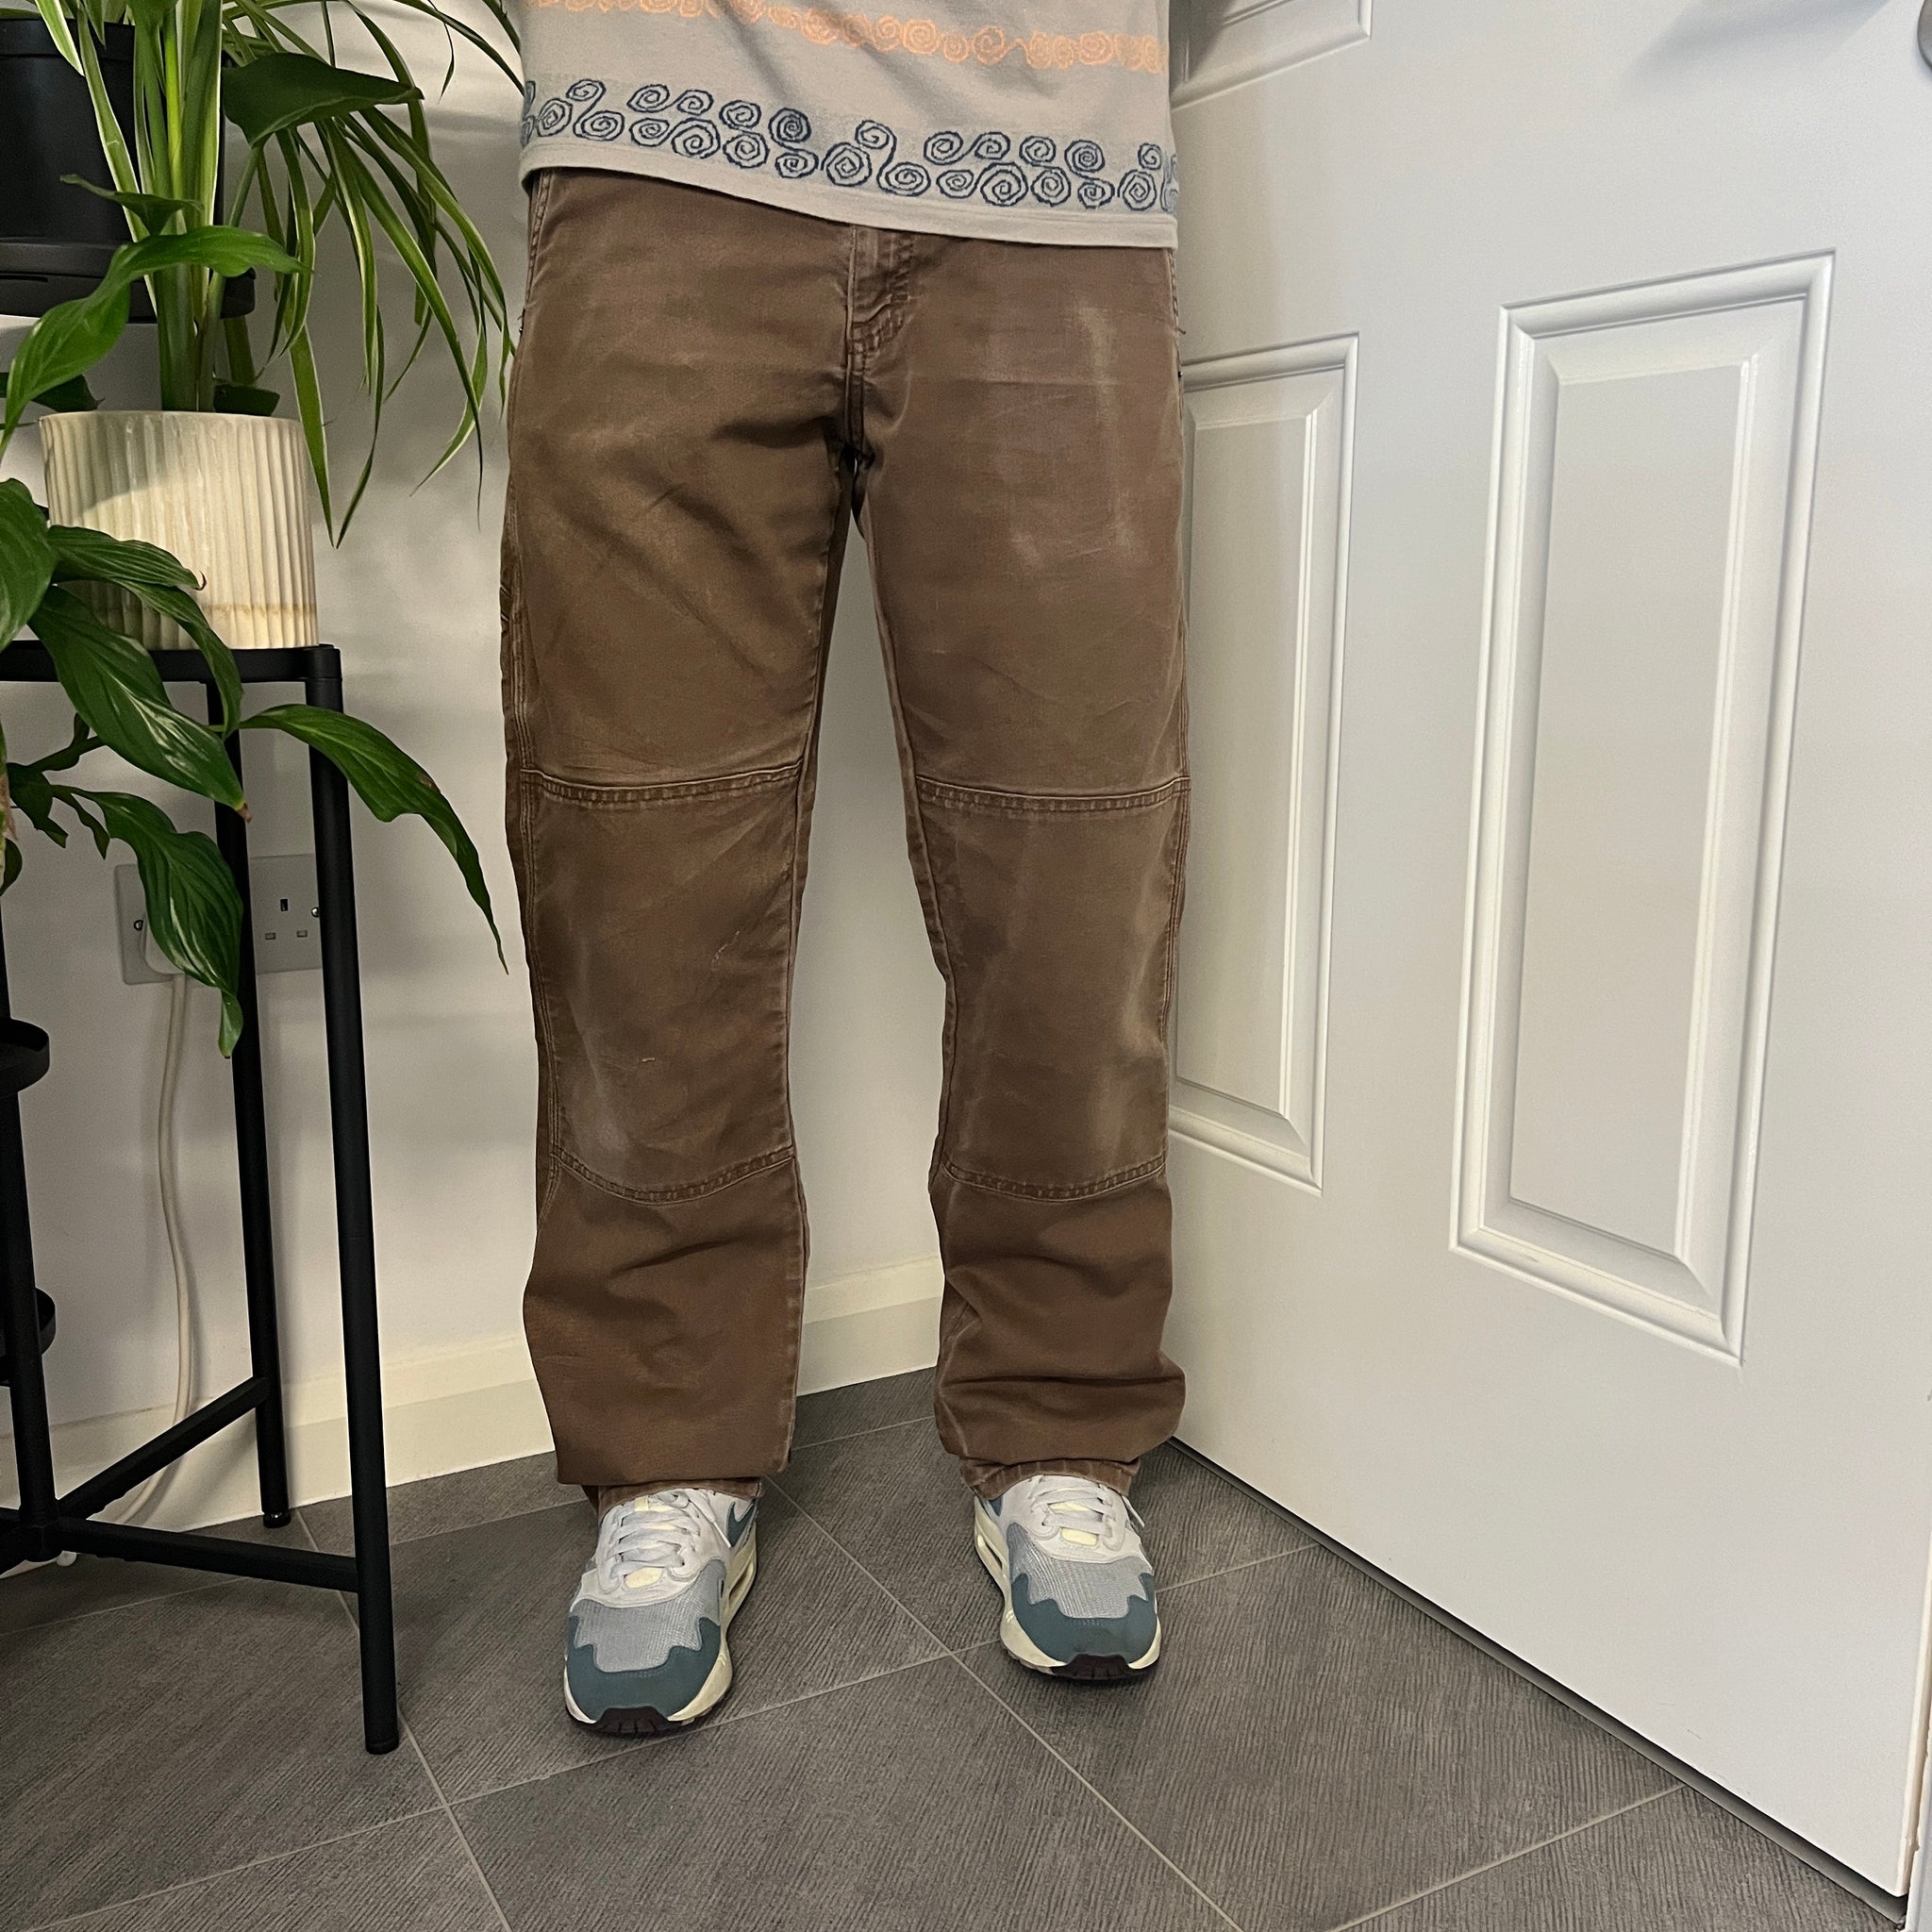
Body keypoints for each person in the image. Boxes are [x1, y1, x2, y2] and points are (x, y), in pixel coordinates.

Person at [502, 0, 1188, 1735]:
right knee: (638, 855)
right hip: (656, 149)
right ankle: (667, 1449)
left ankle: (1059, 1420)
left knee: (1076, 852)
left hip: (1057, 172)